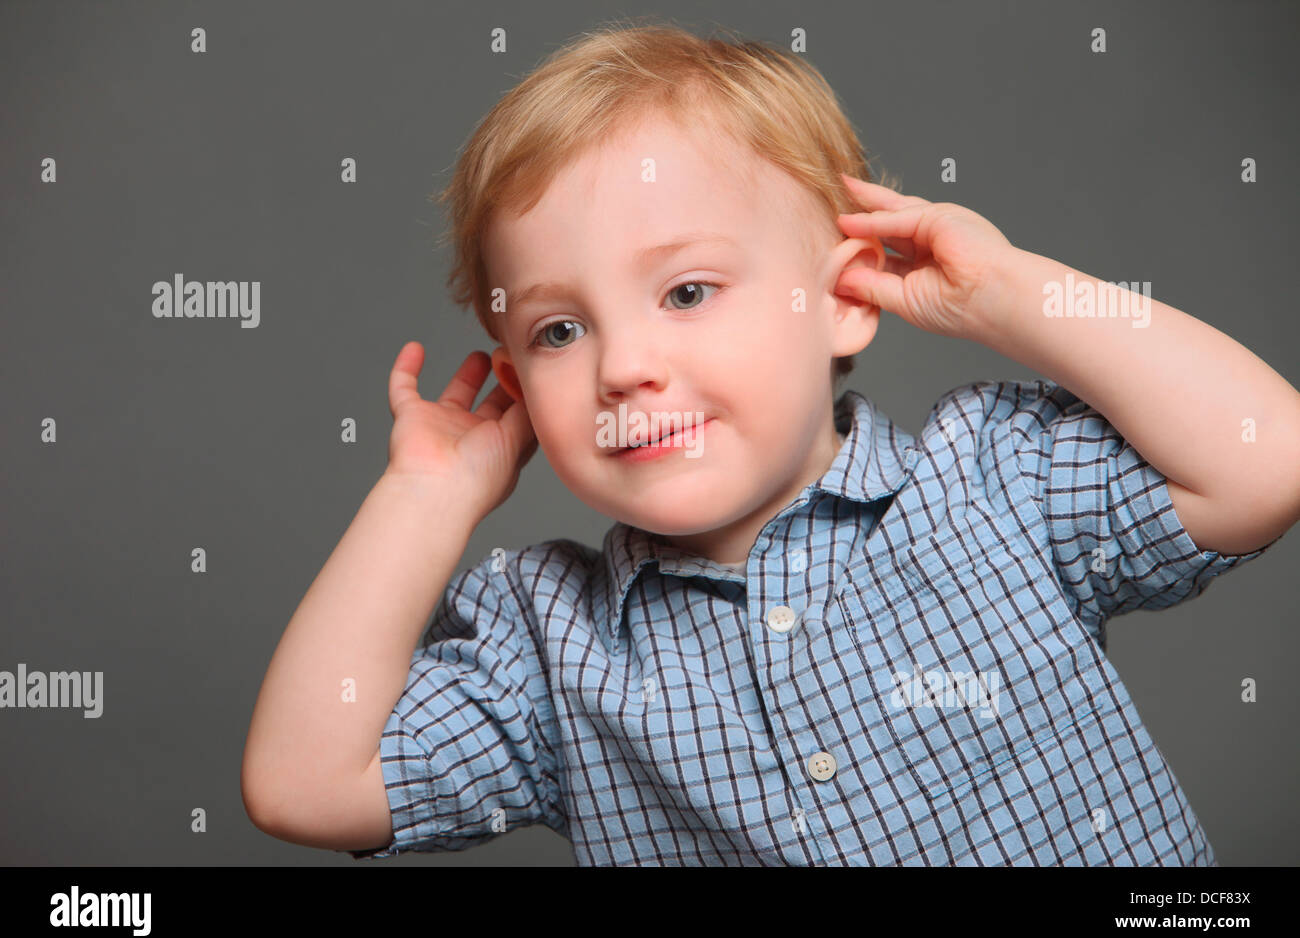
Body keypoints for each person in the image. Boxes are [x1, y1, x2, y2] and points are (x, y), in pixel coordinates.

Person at [240, 20, 1298, 865]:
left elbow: (1264, 456)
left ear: (841, 296)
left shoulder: (990, 481)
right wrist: (425, 495)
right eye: (559, 330)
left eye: (687, 290)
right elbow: (304, 786)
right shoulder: (547, 640)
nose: (620, 364)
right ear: (516, 379)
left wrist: (1007, 292)